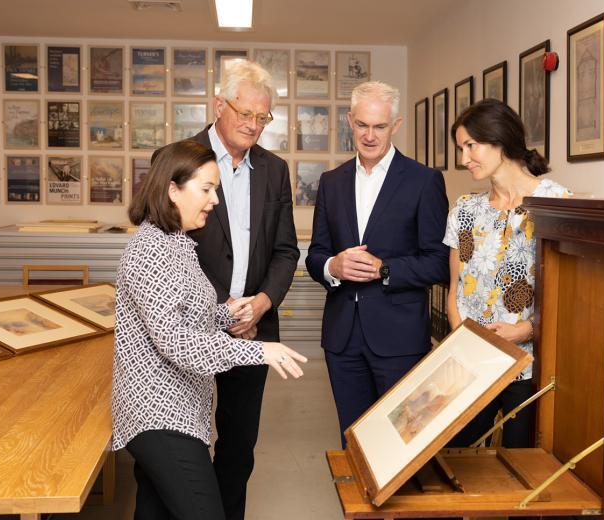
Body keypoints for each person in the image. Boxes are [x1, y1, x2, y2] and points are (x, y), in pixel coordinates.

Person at [112, 139, 307, 519]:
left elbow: (185, 313)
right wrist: (261, 350)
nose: (215, 200)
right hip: (159, 414)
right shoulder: (152, 250)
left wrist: (228, 317)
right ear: (172, 190)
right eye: (206, 189)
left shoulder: (177, 243)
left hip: (179, 411)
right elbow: (178, 342)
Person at [151, 60, 299, 520]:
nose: (254, 125)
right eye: (245, 113)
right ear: (219, 106)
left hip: (251, 330)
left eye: (263, 117)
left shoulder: (274, 170)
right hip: (187, 331)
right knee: (175, 446)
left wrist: (261, 303)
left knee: (238, 448)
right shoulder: (177, 158)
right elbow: (162, 245)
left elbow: (286, 251)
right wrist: (212, 313)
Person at [305, 81, 449, 445]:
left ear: (396, 125)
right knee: (352, 441)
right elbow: (316, 254)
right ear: (350, 121)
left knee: (399, 445)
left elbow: (439, 263)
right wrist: (332, 267)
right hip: (342, 339)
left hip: (399, 340)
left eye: (379, 126)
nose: (370, 135)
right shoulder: (331, 182)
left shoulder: (424, 181)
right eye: (362, 125)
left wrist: (385, 269)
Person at [444, 98, 570, 448]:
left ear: (500, 139)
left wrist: (525, 330)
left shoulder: (557, 204)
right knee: (458, 457)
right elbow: (454, 290)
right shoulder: (465, 210)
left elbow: (569, 296)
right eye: (460, 148)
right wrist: (462, 337)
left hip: (526, 365)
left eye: (471, 146)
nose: (463, 158)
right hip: (469, 364)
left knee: (519, 465)